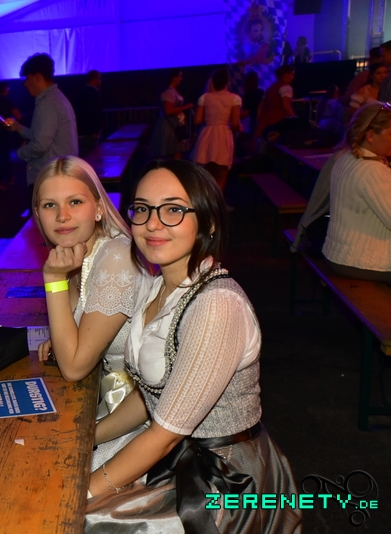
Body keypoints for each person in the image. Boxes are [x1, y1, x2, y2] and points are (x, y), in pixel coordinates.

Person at [85, 160, 302, 533]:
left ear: (209, 222)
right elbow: (152, 395)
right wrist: (91, 435)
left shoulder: (216, 306)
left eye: (173, 210)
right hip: (177, 453)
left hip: (223, 480)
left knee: (86, 521)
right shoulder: (160, 287)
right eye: (143, 209)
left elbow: (165, 434)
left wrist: (84, 493)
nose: (153, 224)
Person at [31, 156, 144, 469]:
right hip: (106, 396)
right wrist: (65, 337)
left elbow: (73, 367)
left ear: (98, 208)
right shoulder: (79, 253)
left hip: (137, 412)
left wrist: (53, 279)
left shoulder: (117, 256)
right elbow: (72, 335)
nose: (62, 216)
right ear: (38, 214)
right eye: (49, 205)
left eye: (75, 202)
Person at [322, 103, 391, 282]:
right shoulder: (372, 170)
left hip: (339, 253)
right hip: (365, 261)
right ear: (371, 136)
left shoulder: (346, 157)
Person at [5, 53, 78, 196]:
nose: (25, 84)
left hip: (50, 179)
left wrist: (20, 153)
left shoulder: (47, 103)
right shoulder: (57, 98)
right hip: (60, 176)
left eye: (27, 79)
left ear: (37, 77)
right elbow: (42, 136)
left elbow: (40, 145)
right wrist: (18, 127)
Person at [192, 67, 242, 194]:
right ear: (227, 82)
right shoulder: (234, 98)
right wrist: (239, 128)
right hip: (223, 134)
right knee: (222, 173)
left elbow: (197, 120)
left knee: (207, 172)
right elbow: (235, 123)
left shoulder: (205, 97)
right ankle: (218, 201)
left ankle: (206, 201)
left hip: (207, 133)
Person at [148, 69, 194, 159]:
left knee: (177, 150)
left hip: (175, 124)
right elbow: (168, 110)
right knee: (172, 150)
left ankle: (175, 167)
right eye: (179, 76)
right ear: (174, 78)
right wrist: (186, 107)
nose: (181, 78)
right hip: (169, 126)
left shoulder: (173, 91)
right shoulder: (168, 93)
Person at [0, 82, 22, 190]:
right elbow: (18, 116)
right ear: (5, 89)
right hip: (6, 132)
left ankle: (9, 177)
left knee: (3, 156)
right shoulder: (8, 101)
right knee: (5, 156)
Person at [254, 65, 296, 139]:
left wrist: (259, 119)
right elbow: (286, 106)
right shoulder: (286, 88)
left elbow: (261, 105)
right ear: (285, 74)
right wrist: (295, 119)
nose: (293, 77)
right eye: (292, 74)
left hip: (264, 120)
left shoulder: (270, 88)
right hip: (277, 121)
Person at [75, 70, 104, 157]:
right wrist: (96, 131)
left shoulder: (80, 92)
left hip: (81, 131)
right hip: (91, 133)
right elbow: (96, 113)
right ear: (94, 79)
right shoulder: (95, 93)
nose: (100, 81)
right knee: (92, 156)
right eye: (99, 78)